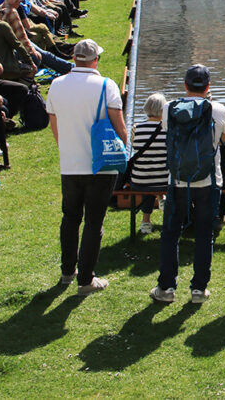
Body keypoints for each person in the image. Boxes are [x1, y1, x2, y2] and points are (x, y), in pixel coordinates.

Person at [45, 39, 127, 295]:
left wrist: (66, 149)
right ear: (96, 60)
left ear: (74, 58)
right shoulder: (106, 85)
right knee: (93, 221)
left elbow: (54, 125)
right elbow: (120, 127)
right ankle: (86, 279)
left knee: (70, 218)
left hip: (70, 163)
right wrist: (124, 149)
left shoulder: (57, 85)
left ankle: (67, 271)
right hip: (100, 163)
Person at [150, 65, 225, 304]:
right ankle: (198, 290)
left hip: (177, 180)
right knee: (204, 234)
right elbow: (223, 139)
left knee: (170, 233)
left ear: (185, 85)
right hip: (208, 181)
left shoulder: (169, 108)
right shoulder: (218, 109)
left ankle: (166, 288)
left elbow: (167, 132)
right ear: (208, 86)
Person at [127, 93, 169, 236]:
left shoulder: (136, 128)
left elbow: (134, 146)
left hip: (139, 180)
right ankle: (161, 199)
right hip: (164, 181)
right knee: (157, 171)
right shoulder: (169, 129)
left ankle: (146, 222)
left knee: (147, 170)